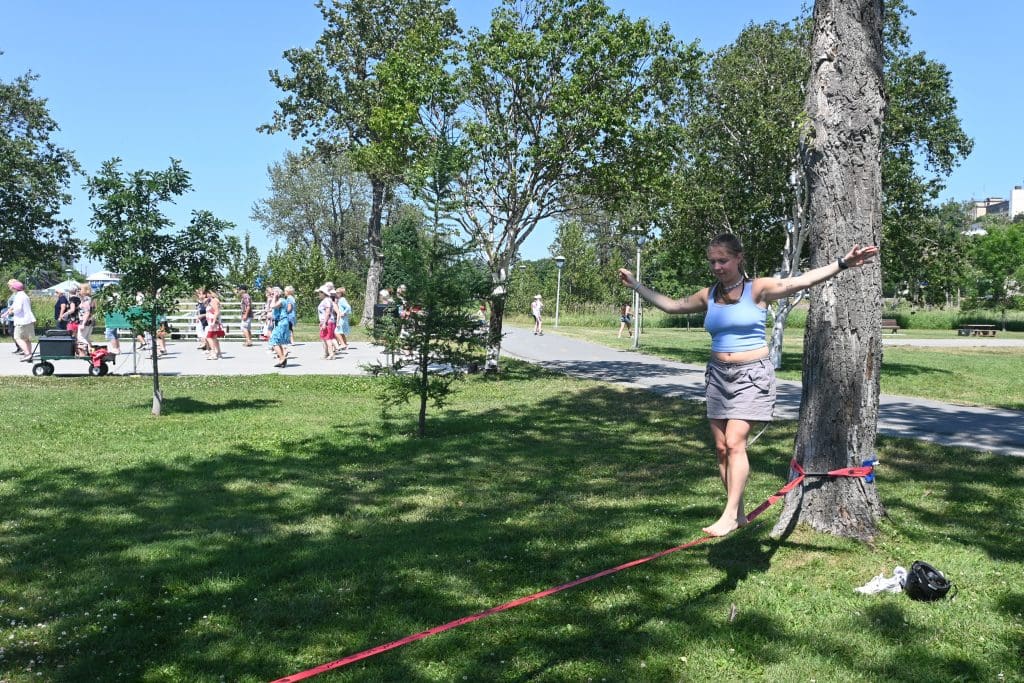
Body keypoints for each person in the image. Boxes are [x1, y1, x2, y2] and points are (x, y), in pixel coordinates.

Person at [618, 233, 879, 537]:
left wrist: (843, 263)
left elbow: (802, 281)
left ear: (738, 257)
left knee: (734, 442)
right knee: (720, 449)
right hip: (717, 375)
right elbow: (672, 306)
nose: (717, 266)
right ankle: (739, 512)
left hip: (751, 375)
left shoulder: (758, 289)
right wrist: (636, 285)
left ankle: (728, 515)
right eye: (712, 261)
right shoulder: (709, 294)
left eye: (723, 260)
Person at [5, 279, 36, 361]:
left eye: (11, 287)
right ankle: (29, 354)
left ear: (15, 288)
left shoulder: (18, 296)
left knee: (17, 337)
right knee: (27, 339)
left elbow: (18, 308)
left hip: (21, 320)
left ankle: (27, 354)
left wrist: (11, 312)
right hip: (29, 320)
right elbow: (14, 305)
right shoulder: (24, 295)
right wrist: (6, 313)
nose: (10, 288)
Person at [268, 286, 291, 367]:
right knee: (278, 341)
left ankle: (282, 358)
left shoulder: (281, 300)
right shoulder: (280, 301)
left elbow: (272, 306)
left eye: (272, 293)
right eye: (270, 294)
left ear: (277, 294)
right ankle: (282, 359)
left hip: (282, 322)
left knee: (273, 340)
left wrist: (274, 297)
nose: (271, 295)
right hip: (280, 322)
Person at [205, 288, 224, 360]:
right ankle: (218, 353)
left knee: (209, 337)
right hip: (212, 321)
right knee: (214, 338)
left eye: (209, 293)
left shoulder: (214, 301)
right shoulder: (214, 300)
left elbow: (216, 311)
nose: (208, 295)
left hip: (212, 321)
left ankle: (213, 353)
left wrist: (213, 321)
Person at [76, 283, 95, 355]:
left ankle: (90, 351)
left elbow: (87, 312)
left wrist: (83, 324)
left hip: (85, 321)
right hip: (90, 321)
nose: (79, 290)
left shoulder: (86, 300)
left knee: (81, 338)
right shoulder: (90, 299)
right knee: (87, 338)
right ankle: (92, 352)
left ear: (85, 290)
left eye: (80, 289)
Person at [334, 286, 352, 352]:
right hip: (343, 318)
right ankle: (345, 345)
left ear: (341, 293)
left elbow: (348, 307)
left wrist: (343, 313)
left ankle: (342, 344)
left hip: (342, 318)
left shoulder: (342, 300)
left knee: (337, 331)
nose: (336, 294)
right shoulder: (340, 299)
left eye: (337, 292)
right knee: (342, 332)